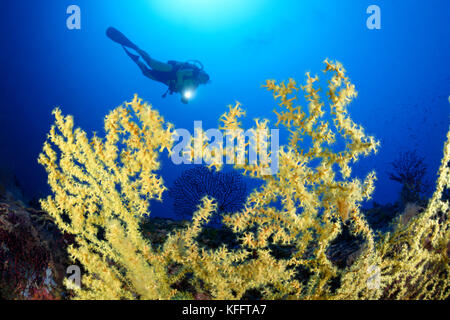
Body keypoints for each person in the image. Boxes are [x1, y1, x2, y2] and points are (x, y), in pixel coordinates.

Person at [106, 27, 210, 104]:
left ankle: (136, 59)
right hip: (172, 70)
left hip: (167, 81)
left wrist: (184, 98)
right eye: (203, 77)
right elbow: (180, 73)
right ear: (202, 74)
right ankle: (135, 47)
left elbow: (183, 92)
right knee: (152, 63)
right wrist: (180, 84)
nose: (202, 80)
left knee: (146, 73)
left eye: (204, 81)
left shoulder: (195, 87)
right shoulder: (194, 71)